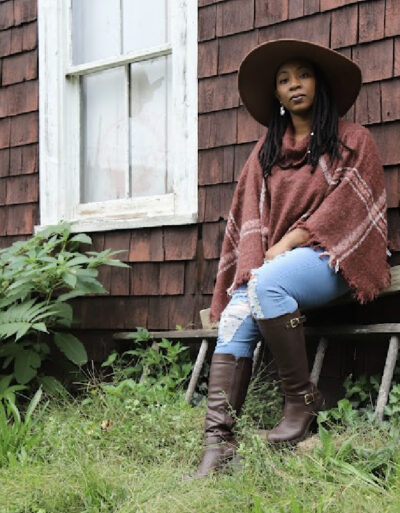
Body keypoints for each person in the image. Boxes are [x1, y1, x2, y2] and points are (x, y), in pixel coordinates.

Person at [195, 39, 392, 478]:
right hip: (275, 268)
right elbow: (248, 217)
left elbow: (350, 209)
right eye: (283, 81)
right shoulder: (264, 155)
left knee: (268, 283)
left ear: (318, 83)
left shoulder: (353, 140)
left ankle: (302, 405)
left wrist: (289, 243)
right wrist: (264, 257)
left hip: (334, 258)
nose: (293, 85)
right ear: (278, 97)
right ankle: (217, 446)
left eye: (302, 75)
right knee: (233, 316)